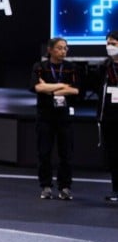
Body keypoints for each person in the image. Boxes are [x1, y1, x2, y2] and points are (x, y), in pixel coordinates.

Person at [30, 37, 80, 200]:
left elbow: (76, 90)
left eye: (65, 48)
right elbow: (37, 87)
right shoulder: (40, 67)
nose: (63, 51)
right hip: (45, 116)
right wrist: (63, 86)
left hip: (64, 117)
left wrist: (49, 88)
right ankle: (46, 186)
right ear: (50, 50)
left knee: (66, 154)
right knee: (44, 153)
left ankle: (65, 187)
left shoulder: (71, 68)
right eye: (59, 48)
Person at [97, 31, 118, 202]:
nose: (110, 47)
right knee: (113, 155)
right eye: (108, 44)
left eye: (113, 44)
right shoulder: (105, 66)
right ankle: (116, 189)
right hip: (109, 116)